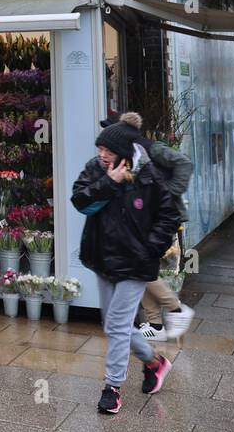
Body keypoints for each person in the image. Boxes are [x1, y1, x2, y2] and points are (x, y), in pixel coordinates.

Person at [71, 122, 179, 415]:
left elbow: (170, 215)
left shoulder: (149, 175)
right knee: (113, 325)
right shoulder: (95, 169)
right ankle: (155, 362)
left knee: (117, 325)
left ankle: (112, 389)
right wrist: (109, 182)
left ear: (123, 152)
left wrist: (150, 249)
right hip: (104, 260)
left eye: (107, 150)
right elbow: (79, 200)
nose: (101, 154)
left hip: (135, 264)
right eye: (100, 148)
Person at [105, 112, 196, 341]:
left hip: (161, 217)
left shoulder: (150, 148)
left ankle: (176, 308)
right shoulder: (127, 154)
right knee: (144, 268)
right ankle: (155, 324)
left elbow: (184, 163)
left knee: (140, 266)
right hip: (144, 218)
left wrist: (167, 192)